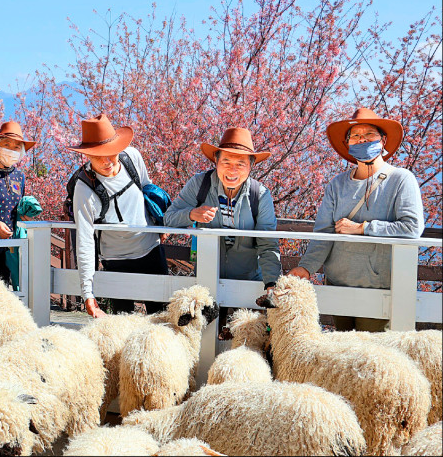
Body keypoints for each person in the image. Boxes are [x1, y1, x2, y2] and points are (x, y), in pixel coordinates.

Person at [288, 108, 424, 332]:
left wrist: (362, 228)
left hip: (378, 287)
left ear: (383, 140)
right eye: (356, 136)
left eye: (369, 134)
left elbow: (412, 227)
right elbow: (323, 233)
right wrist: (306, 268)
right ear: (348, 144)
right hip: (337, 283)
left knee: (372, 356)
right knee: (343, 353)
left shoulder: (401, 179)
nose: (362, 140)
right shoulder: (337, 184)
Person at [66, 114, 169, 318]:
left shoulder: (132, 157)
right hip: (116, 259)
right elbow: (85, 240)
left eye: (111, 153)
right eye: (98, 156)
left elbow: (148, 190)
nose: (107, 162)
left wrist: (160, 224)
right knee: (122, 322)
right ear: (87, 156)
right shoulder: (84, 189)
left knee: (161, 320)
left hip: (151, 250)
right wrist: (88, 294)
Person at [164, 127, 280, 291]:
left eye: (241, 164)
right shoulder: (200, 184)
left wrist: (271, 283)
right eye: (226, 162)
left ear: (250, 167)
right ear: (216, 162)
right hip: (206, 280)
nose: (233, 170)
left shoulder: (260, 195)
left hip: (248, 281)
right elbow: (169, 218)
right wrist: (191, 215)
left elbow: (268, 244)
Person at [0, 121, 37, 287]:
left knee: (7, 292)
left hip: (11, 247)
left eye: (16, 147)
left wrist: (25, 214)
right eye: (7, 145)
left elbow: (18, 206)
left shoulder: (19, 176)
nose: (11, 150)